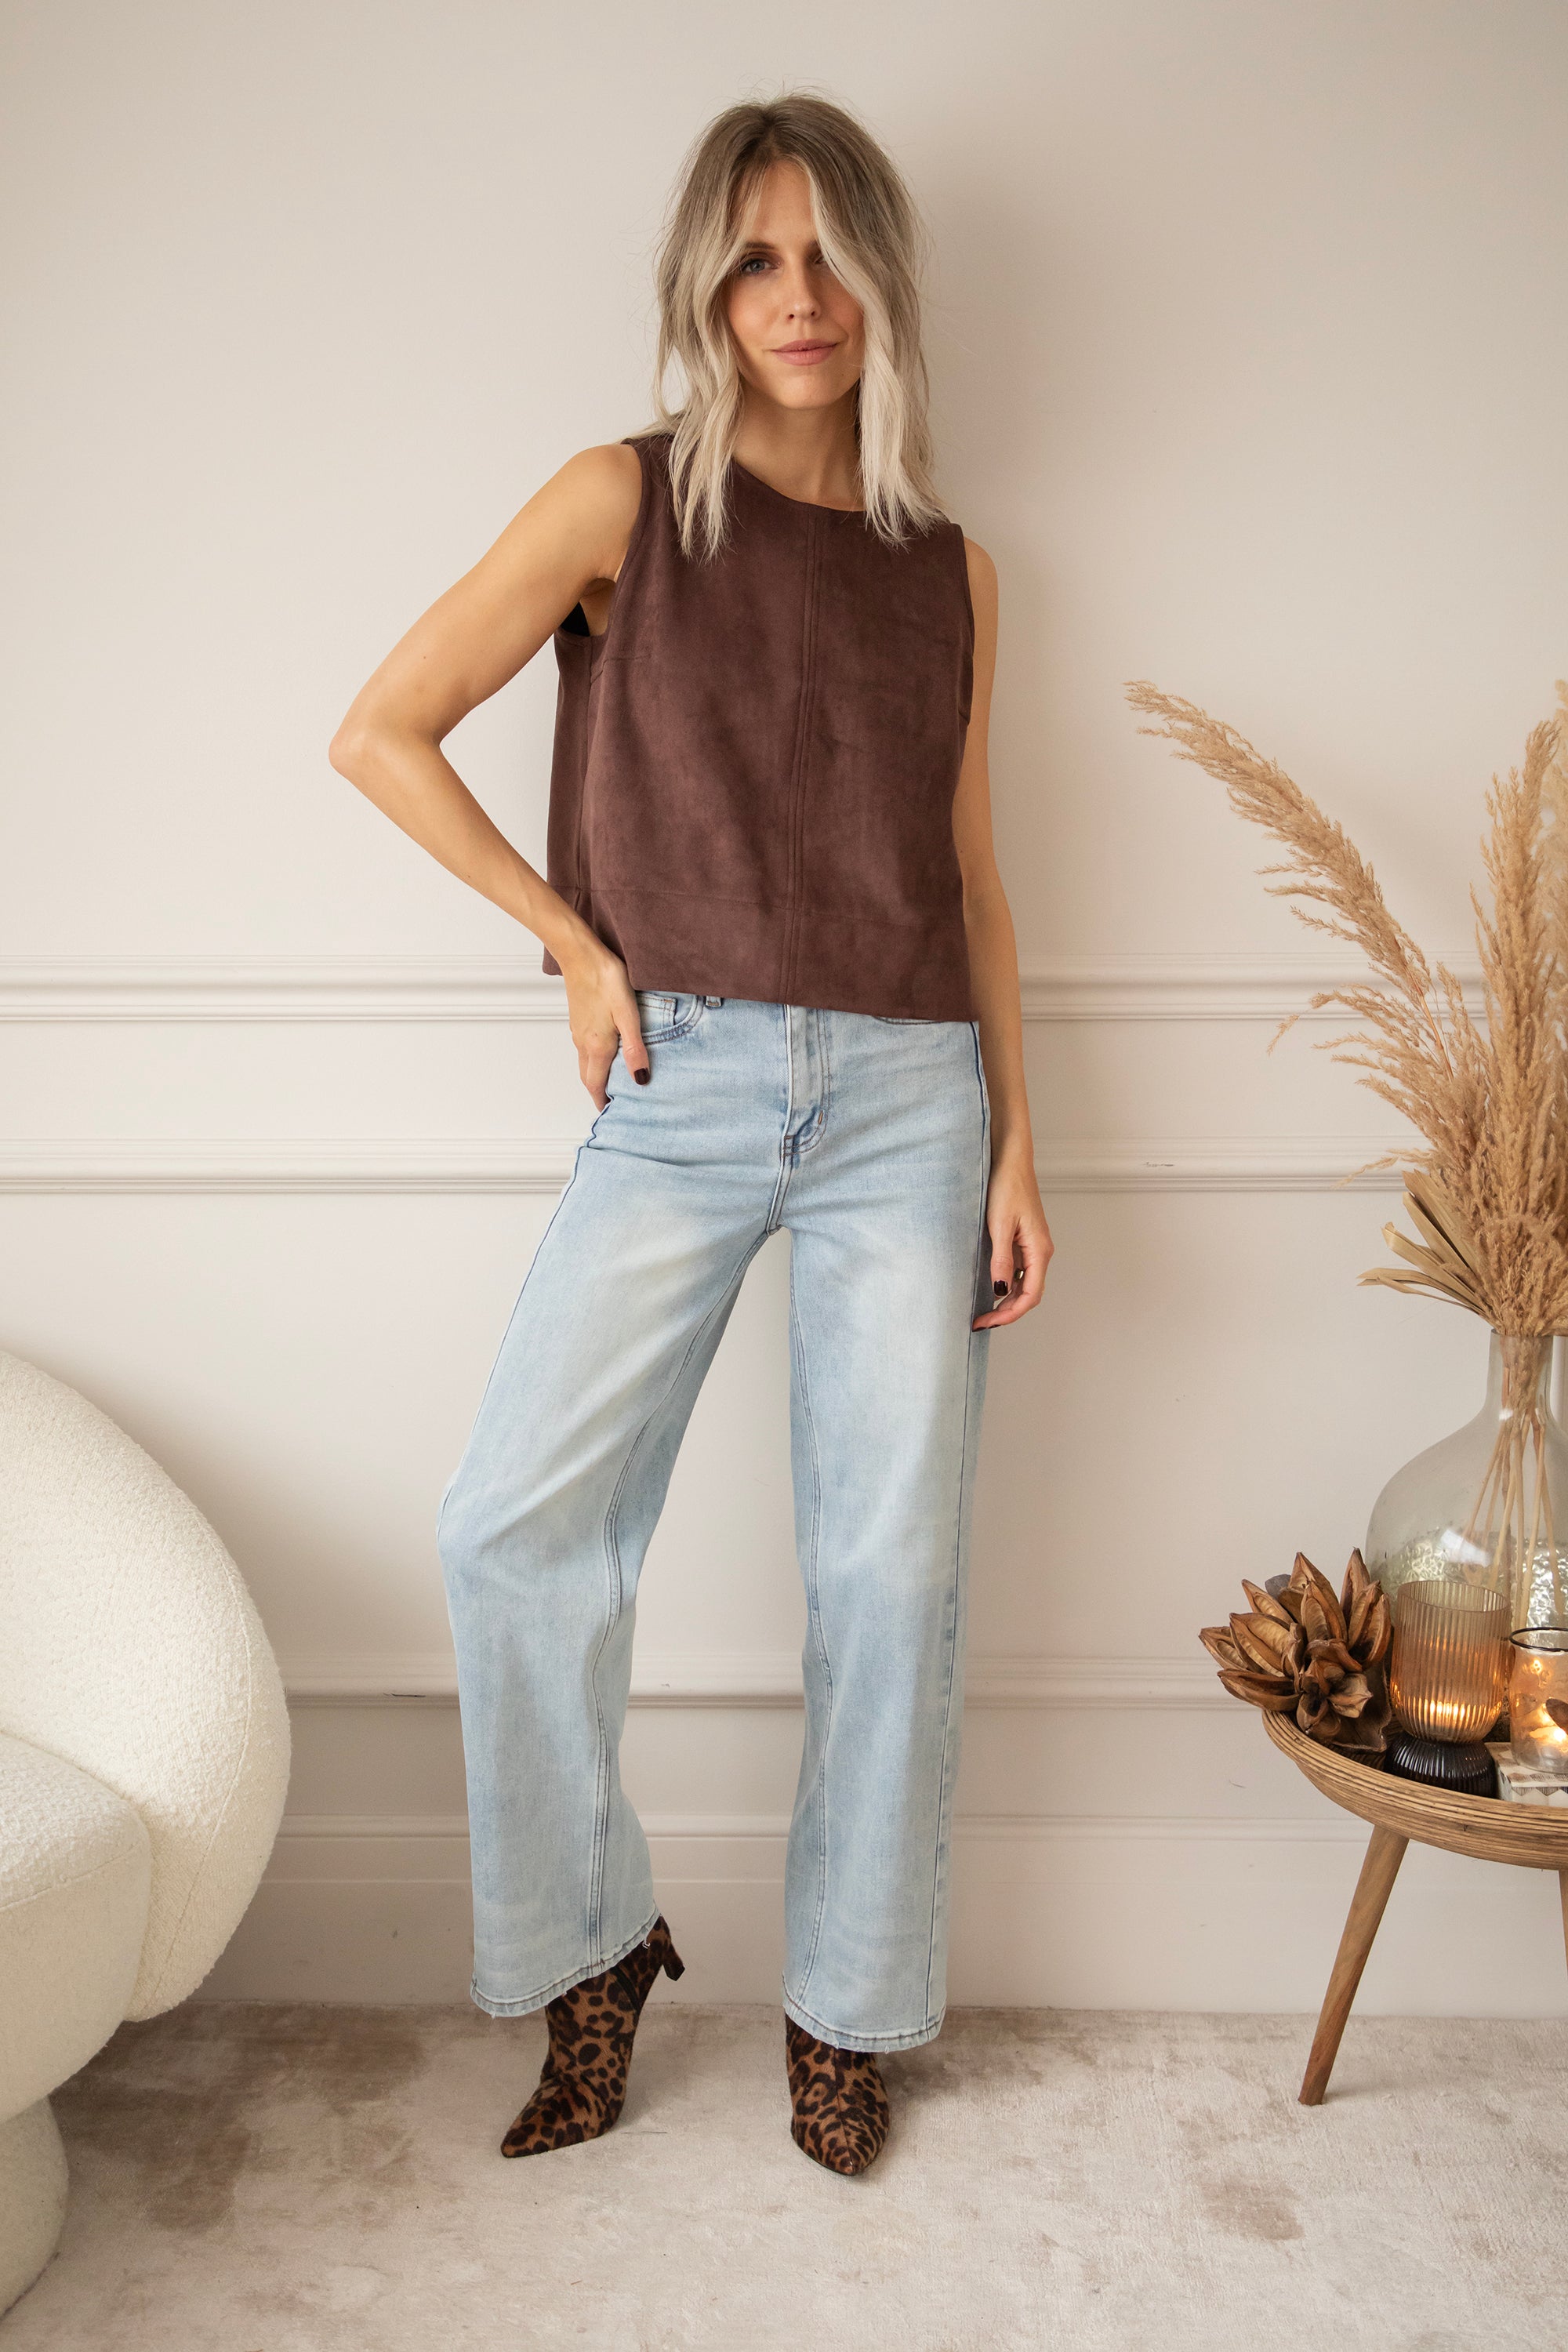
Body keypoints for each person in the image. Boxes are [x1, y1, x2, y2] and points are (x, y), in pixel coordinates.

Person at [328, 90, 1052, 2178]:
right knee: (512, 1525)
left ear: (883, 282)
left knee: (889, 1571)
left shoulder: (957, 577)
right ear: (705, 291)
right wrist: (570, 941)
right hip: (685, 1082)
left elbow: (974, 881)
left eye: (828, 256)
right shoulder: (620, 504)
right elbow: (381, 731)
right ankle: (594, 1950)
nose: (795, 298)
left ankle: (847, 2009)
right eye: (754, 259)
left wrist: (1018, 1144)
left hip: (912, 1101)